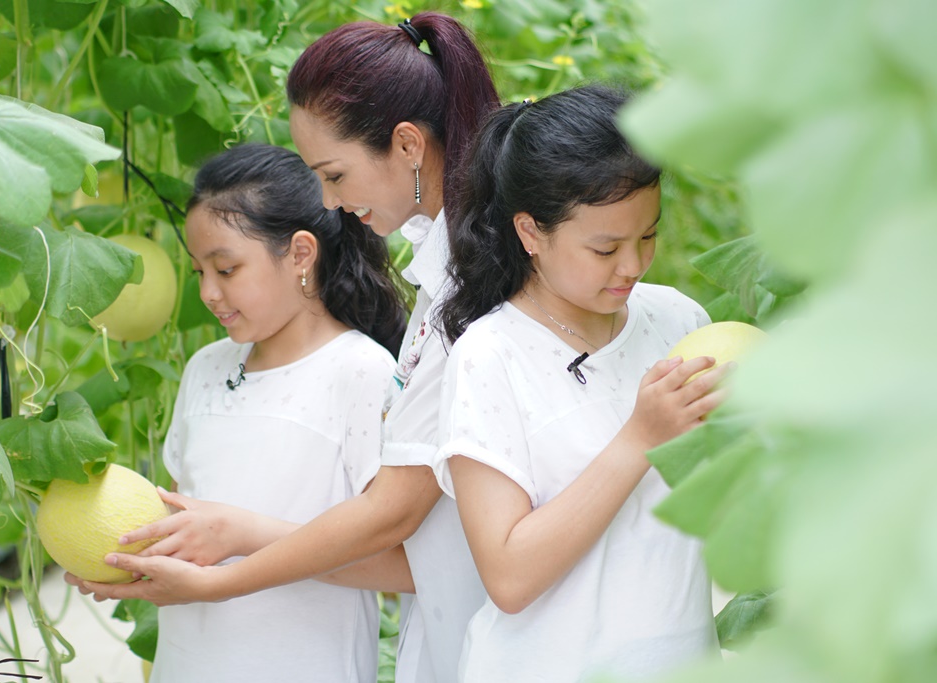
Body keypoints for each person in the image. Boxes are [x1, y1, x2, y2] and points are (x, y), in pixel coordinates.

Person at [72, 13, 499, 683]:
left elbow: (398, 519)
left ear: (409, 146)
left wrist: (231, 551)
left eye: (333, 172)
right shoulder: (440, 279)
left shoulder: (442, 306)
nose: (327, 199)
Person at [433, 84, 727, 682]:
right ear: (531, 233)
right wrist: (639, 437)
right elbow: (509, 576)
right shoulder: (490, 358)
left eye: (648, 236)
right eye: (605, 247)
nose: (633, 265)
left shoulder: (679, 320)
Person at [132, 142, 410, 682]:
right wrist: (120, 559)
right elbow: (181, 527)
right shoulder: (206, 368)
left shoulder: (362, 373)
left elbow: (405, 566)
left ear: (301, 253)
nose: (209, 293)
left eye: (228, 268)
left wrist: (243, 534)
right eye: (198, 272)